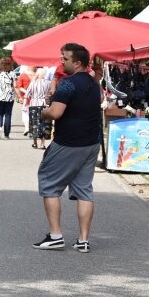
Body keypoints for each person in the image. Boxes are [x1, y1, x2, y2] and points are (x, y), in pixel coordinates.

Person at [34, 43, 102, 253]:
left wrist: (44, 110)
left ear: (77, 62)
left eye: (65, 58)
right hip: (91, 143)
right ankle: (83, 241)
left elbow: (55, 113)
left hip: (68, 143)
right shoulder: (93, 83)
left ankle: (55, 236)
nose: (61, 62)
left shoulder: (67, 84)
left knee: (49, 183)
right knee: (84, 190)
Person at [25, 68, 52, 149]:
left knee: (34, 124)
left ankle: (34, 142)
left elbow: (28, 94)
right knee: (43, 124)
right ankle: (43, 143)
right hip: (44, 105)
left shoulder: (33, 83)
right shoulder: (48, 83)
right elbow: (50, 93)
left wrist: (24, 104)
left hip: (34, 104)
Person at [0, 57, 18, 139]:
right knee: (8, 115)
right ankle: (6, 134)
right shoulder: (12, 73)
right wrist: (19, 96)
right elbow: (15, 86)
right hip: (9, 97)